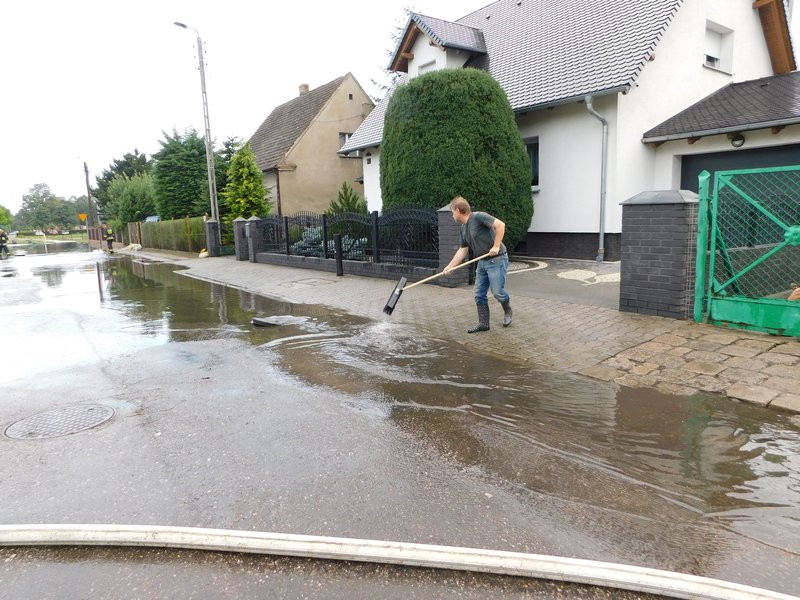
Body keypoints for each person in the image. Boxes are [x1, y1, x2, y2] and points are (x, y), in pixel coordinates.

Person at [443, 196, 512, 332]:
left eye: (452, 212)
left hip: (497, 259)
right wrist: (450, 266)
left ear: (457, 210)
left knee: (497, 292)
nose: (452, 215)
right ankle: (484, 324)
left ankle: (507, 310)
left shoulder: (478, 217)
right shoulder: (463, 228)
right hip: (482, 261)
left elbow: (500, 225)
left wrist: (496, 246)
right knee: (479, 293)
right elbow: (463, 250)